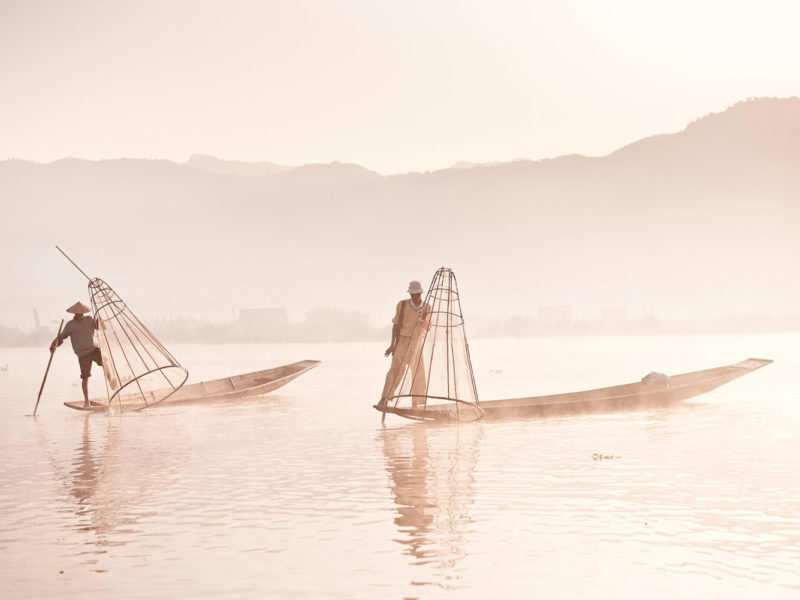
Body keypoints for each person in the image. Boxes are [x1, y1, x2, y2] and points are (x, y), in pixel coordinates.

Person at [380, 280, 431, 408]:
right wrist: (393, 345)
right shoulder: (402, 305)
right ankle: (385, 398)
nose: (415, 296)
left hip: (417, 341)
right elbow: (396, 325)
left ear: (421, 293)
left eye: (417, 294)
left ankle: (417, 403)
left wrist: (424, 318)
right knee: (396, 370)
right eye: (412, 294)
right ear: (410, 294)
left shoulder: (427, 307)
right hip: (402, 340)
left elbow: (428, 327)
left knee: (419, 372)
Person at [50, 301, 103, 408]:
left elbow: (101, 327)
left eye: (81, 313)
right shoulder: (70, 325)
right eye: (78, 313)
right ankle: (86, 401)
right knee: (85, 378)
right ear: (75, 313)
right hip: (82, 354)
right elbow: (61, 337)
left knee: (106, 363)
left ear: (83, 312)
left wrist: (100, 319)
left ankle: (111, 381)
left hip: (94, 349)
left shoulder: (89, 319)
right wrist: (53, 345)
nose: (80, 315)